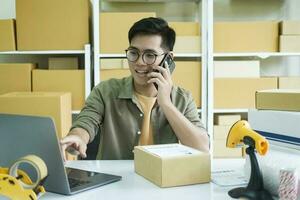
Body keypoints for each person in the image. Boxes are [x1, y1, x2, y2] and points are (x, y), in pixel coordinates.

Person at [60, 17, 209, 160]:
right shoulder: (105, 91)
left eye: (149, 55)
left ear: (168, 58)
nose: (139, 62)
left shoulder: (182, 98)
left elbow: (202, 148)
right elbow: (86, 122)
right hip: (116, 182)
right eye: (133, 53)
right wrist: (77, 137)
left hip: (162, 182)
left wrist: (166, 104)